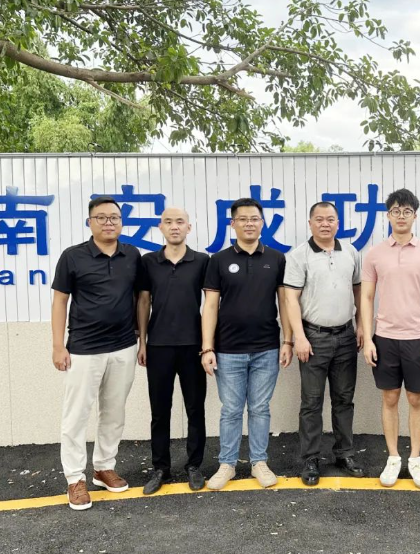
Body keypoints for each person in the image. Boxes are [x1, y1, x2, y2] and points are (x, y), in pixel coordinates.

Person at [51, 196, 143, 511]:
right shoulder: (73, 256)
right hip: (83, 349)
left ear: (121, 222)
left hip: (123, 346)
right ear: (89, 222)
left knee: (114, 412)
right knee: (76, 415)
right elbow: (60, 301)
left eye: (114, 217)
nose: (108, 222)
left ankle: (104, 467)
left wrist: (141, 339)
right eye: (101, 217)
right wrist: (58, 345)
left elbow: (140, 298)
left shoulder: (132, 254)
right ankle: (75, 478)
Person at [200, 198, 294, 490]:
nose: (249, 223)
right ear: (233, 224)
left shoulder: (276, 259)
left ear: (262, 223)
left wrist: (288, 340)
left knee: (260, 408)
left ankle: (259, 462)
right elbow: (210, 306)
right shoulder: (218, 260)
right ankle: (227, 464)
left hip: (267, 347)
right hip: (228, 349)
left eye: (254, 218)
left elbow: (285, 302)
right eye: (243, 219)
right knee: (230, 409)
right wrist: (207, 347)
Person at [361, 189, 420, 489]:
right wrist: (368, 339)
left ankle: (416, 458)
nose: (401, 216)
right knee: (390, 397)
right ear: (388, 215)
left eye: (407, 211)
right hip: (384, 337)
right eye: (395, 211)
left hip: (418, 338)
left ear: (415, 216)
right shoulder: (374, 254)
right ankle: (394, 457)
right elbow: (366, 297)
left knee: (416, 398)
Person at [284, 202, 365, 486]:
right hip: (313, 338)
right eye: (319, 219)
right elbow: (290, 299)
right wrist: (299, 337)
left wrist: (362, 325)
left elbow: (359, 291)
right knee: (311, 403)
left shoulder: (351, 252)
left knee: (344, 399)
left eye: (330, 219)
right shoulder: (299, 255)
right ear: (310, 223)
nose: (325, 224)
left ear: (338, 223)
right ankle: (310, 459)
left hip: (345, 336)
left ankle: (344, 453)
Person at [137, 207, 210, 495]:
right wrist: (143, 342)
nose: (174, 226)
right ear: (161, 227)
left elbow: (211, 304)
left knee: (195, 408)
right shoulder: (149, 262)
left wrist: (208, 345)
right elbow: (143, 302)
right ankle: (160, 468)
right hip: (158, 346)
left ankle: (194, 465)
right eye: (168, 222)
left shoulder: (202, 261)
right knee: (159, 410)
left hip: (193, 346)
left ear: (189, 227)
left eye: (180, 222)